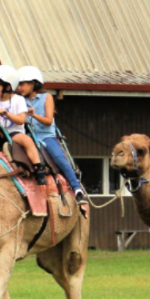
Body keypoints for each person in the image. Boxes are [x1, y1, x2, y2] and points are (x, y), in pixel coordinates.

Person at [17, 65, 87, 204]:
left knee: (59, 158)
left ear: (33, 84)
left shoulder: (46, 97)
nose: (19, 88)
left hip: (46, 136)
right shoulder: (19, 100)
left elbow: (48, 121)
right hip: (29, 137)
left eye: (22, 84)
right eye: (18, 84)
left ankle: (77, 188)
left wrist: (34, 114)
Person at [0, 64, 42, 169]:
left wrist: (7, 114)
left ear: (8, 87)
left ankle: (38, 167)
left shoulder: (19, 100)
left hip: (14, 133)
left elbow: (21, 120)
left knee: (27, 140)